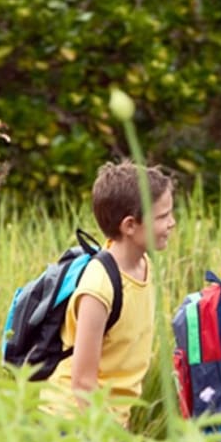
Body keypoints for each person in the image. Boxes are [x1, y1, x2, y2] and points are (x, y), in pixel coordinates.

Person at [42, 161, 176, 427]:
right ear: (130, 225)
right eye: (162, 217)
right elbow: (83, 383)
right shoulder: (98, 288)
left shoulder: (143, 264)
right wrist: (111, 439)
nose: (172, 223)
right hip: (73, 421)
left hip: (109, 417)